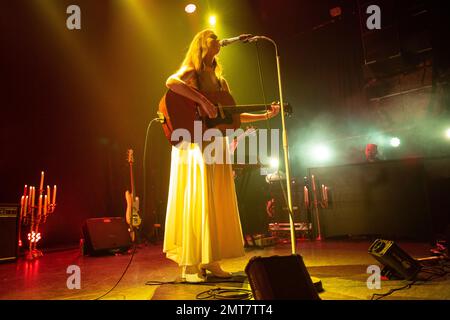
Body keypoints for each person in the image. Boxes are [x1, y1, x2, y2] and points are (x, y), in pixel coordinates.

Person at [162, 29, 280, 282]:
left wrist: (264, 115)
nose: (218, 40)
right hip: (194, 143)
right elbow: (171, 82)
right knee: (198, 197)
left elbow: (232, 115)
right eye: (213, 36)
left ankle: (210, 259)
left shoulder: (221, 81)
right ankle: (191, 265)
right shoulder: (191, 73)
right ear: (202, 44)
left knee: (214, 200)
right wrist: (201, 101)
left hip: (216, 144)